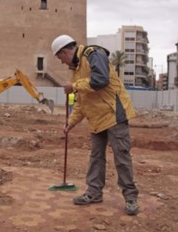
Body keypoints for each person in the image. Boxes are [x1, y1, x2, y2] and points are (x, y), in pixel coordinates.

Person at [51, 34, 139, 216]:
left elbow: (101, 80)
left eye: (60, 58)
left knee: (121, 157)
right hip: (97, 118)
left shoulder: (93, 54)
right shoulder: (76, 70)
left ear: (66, 51)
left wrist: (74, 86)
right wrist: (70, 123)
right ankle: (94, 193)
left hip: (114, 113)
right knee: (96, 157)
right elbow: (81, 104)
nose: (61, 62)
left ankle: (130, 197)